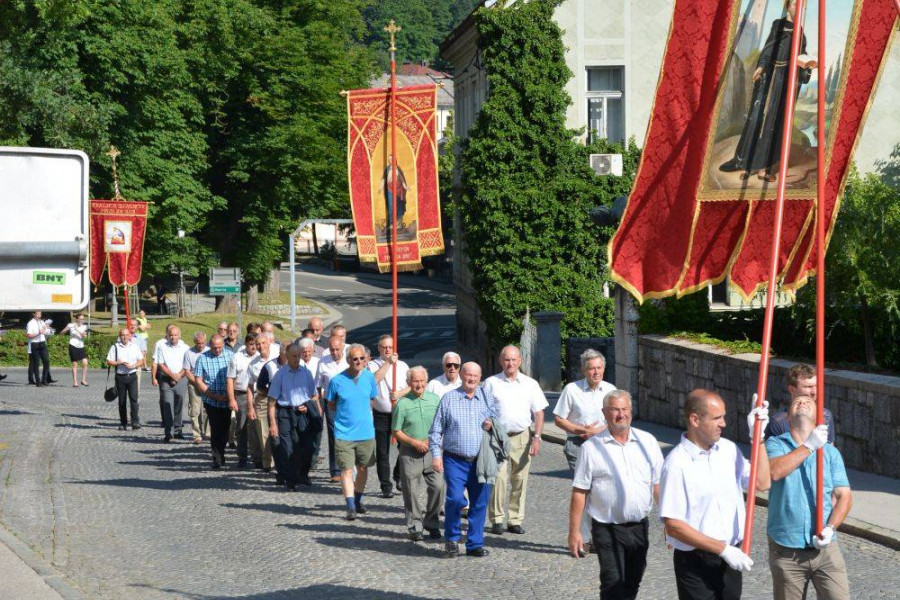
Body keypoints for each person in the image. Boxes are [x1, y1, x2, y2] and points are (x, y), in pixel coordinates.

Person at [660, 389, 771, 600]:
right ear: (695, 419)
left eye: (724, 416)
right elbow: (673, 526)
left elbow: (763, 482)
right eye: (717, 418)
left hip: (730, 557)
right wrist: (723, 550)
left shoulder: (728, 450)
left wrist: (759, 438)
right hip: (696, 562)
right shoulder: (676, 464)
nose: (724, 424)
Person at [568, 390, 664, 600]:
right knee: (613, 583)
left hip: (639, 527)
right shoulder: (592, 448)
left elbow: (657, 484)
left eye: (625, 409)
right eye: (615, 410)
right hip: (606, 528)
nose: (621, 414)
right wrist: (575, 532)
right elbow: (580, 491)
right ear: (604, 413)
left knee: (632, 582)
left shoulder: (648, 442)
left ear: (631, 410)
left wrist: (669, 522)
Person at [766, 395, 852, 600]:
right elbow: (775, 471)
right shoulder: (775, 444)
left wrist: (831, 528)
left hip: (826, 550)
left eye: (809, 402)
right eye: (796, 402)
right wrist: (809, 446)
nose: (802, 402)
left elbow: (844, 496)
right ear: (787, 417)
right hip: (787, 550)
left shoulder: (830, 453)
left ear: (818, 418)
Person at [718, 0, 812, 183]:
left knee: (773, 125)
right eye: (795, 4)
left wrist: (807, 66)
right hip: (770, 78)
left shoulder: (800, 34)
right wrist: (761, 66)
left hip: (783, 83)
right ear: (788, 6)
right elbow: (769, 49)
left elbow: (801, 56)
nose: (798, 8)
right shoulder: (778, 25)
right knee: (756, 121)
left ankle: (763, 169)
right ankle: (744, 164)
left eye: (802, 6)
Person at [429, 362, 498, 558]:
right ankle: (452, 538)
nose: (472, 379)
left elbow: (498, 423)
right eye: (468, 375)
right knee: (455, 499)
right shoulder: (449, 399)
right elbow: (436, 430)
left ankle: (475, 543)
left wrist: (492, 423)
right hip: (455, 460)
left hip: (481, 460)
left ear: (480, 377)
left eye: (476, 376)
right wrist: (435, 455)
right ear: (462, 375)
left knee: (480, 502)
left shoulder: (486, 398)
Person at [484, 345, 548, 535]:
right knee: (499, 479)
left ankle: (514, 520)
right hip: (498, 437)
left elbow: (539, 413)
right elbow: (483, 409)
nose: (510, 363)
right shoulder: (491, 383)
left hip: (522, 436)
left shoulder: (530, 384)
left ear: (520, 361)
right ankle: (496, 519)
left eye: (513, 359)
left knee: (520, 479)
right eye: (506, 359)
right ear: (501, 361)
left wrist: (537, 437)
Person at [393, 366, 445, 541]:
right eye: (415, 381)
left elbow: (441, 423)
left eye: (422, 380)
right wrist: (414, 442)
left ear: (426, 381)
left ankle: (431, 522)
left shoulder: (434, 399)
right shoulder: (402, 403)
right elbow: (396, 431)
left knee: (438, 486)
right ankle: (415, 525)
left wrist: (433, 441)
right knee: (411, 491)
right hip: (409, 452)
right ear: (409, 383)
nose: (419, 384)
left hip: (432, 450)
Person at [326, 344, 378, 520]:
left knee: (363, 468)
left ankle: (357, 500)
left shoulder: (370, 378)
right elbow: (331, 404)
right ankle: (350, 507)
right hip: (344, 434)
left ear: (366, 359)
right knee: (346, 471)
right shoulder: (336, 381)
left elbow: (371, 399)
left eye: (362, 358)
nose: (359, 362)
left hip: (366, 433)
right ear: (348, 360)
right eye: (355, 359)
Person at [267, 343, 321, 489]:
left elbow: (314, 395)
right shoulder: (280, 375)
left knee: (308, 447)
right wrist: (273, 424)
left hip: (303, 413)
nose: (297, 359)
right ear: (287, 356)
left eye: (299, 356)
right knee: (288, 448)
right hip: (285, 412)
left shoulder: (306, 373)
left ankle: (303, 474)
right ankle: (290, 481)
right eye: (294, 356)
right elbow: (271, 401)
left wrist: (309, 406)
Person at [554, 349, 616, 471]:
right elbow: (559, 419)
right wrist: (582, 430)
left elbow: (617, 420)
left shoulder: (611, 390)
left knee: (601, 484)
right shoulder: (571, 390)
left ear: (604, 368)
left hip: (604, 443)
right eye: (592, 368)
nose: (596, 372)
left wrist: (598, 431)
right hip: (577, 444)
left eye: (599, 368)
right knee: (583, 485)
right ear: (583, 370)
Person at [367, 335, 410, 498]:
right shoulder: (373, 365)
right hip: (381, 414)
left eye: (390, 347)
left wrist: (399, 393)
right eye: (384, 347)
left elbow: (411, 386)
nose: (387, 350)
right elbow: (374, 380)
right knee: (382, 451)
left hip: (400, 412)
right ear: (379, 348)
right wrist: (388, 363)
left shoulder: (403, 365)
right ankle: (386, 485)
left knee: (405, 448)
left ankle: (399, 476)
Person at [766, 364, 835, 443]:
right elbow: (772, 454)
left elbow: (830, 449)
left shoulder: (825, 415)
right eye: (808, 387)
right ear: (791, 389)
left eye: (817, 386)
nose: (814, 392)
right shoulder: (778, 422)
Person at [193, 335, 232, 469]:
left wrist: (230, 395)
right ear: (210, 346)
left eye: (220, 347)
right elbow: (198, 380)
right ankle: (217, 458)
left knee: (226, 428)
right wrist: (213, 395)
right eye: (215, 348)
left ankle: (222, 451)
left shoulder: (230, 355)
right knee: (215, 429)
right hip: (211, 400)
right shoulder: (202, 358)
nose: (217, 350)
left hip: (227, 398)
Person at [316, 335, 348, 482]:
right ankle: (335, 470)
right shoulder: (323, 362)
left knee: (348, 435)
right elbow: (318, 386)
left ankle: (348, 468)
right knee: (334, 436)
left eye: (337, 349)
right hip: (331, 403)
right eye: (332, 350)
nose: (334, 352)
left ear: (342, 347)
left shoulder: (349, 361)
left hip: (348, 403)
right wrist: (319, 405)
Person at [152, 325, 190, 442]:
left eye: (175, 335)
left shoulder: (185, 348)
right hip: (166, 379)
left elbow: (188, 365)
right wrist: (172, 375)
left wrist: (179, 375)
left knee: (179, 403)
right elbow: (161, 364)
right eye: (171, 335)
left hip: (181, 378)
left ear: (179, 335)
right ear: (167, 336)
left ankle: (178, 429)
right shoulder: (162, 347)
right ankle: (168, 432)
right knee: (167, 404)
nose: (173, 337)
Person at [227, 334, 258, 467]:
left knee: (258, 428)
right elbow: (230, 379)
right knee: (242, 426)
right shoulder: (237, 357)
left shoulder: (261, 357)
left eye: (255, 344)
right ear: (245, 344)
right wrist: (231, 399)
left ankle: (259, 458)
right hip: (241, 394)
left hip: (259, 394)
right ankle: (242, 457)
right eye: (251, 344)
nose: (254, 347)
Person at [247, 332, 276, 472]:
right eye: (257, 344)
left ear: (269, 343)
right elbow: (249, 386)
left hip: (278, 398)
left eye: (263, 343)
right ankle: (268, 462)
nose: (260, 346)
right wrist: (250, 407)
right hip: (262, 399)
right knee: (263, 432)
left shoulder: (277, 358)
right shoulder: (253, 363)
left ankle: (279, 459)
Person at [106, 328, 144, 431]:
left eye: (127, 335)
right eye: (122, 335)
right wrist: (120, 363)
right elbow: (109, 361)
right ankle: (123, 422)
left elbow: (141, 361)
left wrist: (134, 365)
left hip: (132, 376)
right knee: (122, 401)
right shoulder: (115, 347)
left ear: (130, 336)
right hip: (120, 377)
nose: (125, 337)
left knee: (134, 399)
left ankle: (135, 421)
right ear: (120, 336)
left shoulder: (135, 347)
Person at [184, 332, 209, 444]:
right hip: (194, 384)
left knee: (207, 409)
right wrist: (197, 383)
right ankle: (196, 435)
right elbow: (187, 371)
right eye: (198, 343)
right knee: (194, 410)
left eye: (203, 343)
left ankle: (207, 432)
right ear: (195, 342)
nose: (200, 345)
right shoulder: (189, 353)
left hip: (207, 384)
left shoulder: (209, 351)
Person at [60, 313, 89, 387]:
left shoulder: (84, 326)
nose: (81, 320)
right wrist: (67, 329)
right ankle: (75, 382)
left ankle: (83, 380)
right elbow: (61, 333)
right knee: (75, 364)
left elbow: (84, 336)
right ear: (76, 319)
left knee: (85, 362)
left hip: (81, 346)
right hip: (73, 345)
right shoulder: (70, 325)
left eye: (83, 319)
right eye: (80, 319)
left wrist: (77, 329)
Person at [26, 310, 53, 386]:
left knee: (46, 361)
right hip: (35, 343)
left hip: (42, 343)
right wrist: (39, 333)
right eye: (37, 314)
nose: (39, 315)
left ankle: (44, 379)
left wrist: (48, 330)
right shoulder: (30, 323)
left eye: (40, 314)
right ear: (34, 314)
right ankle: (38, 381)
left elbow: (46, 332)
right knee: (36, 363)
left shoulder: (42, 322)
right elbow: (29, 335)